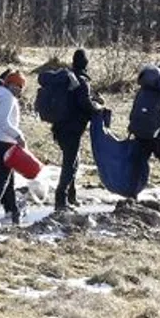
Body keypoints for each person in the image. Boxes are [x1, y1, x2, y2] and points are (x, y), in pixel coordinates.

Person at [51, 50, 104, 211]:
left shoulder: (67, 78)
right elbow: (84, 103)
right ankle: (61, 200)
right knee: (70, 164)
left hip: (59, 127)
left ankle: (71, 196)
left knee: (73, 161)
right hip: (71, 129)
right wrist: (98, 108)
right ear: (86, 64)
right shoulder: (82, 81)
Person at [130, 63, 160, 202]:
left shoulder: (144, 88)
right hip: (157, 132)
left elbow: (134, 110)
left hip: (139, 131)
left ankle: (132, 195)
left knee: (139, 163)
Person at [0, 71, 28, 223]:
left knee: (8, 181)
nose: (20, 90)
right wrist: (18, 136)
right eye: (19, 86)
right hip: (4, 144)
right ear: (11, 85)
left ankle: (14, 211)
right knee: (2, 182)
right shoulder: (8, 98)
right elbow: (3, 122)